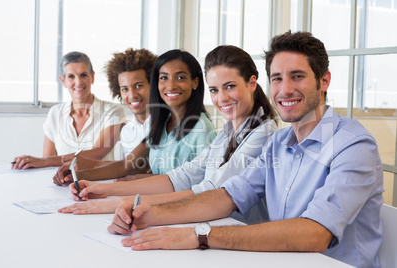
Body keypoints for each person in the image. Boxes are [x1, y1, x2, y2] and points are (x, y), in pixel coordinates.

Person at [107, 31, 384, 268]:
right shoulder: (279, 143)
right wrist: (150, 214)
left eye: (297, 76)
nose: (285, 89)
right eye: (277, 78)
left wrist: (199, 234)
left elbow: (314, 233)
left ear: (324, 81)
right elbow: (229, 196)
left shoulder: (354, 144)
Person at [59, 45, 278, 223]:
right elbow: (181, 176)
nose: (221, 98)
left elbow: (208, 191)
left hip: (234, 232)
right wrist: (105, 189)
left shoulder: (263, 133)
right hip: (209, 223)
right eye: (214, 90)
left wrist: (125, 200)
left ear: (252, 83)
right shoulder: (229, 129)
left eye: (229, 86)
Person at [53, 49, 216, 186]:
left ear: (195, 82)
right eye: (164, 78)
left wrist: (142, 180)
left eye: (180, 77)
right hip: (153, 202)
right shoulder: (163, 122)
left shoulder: (202, 129)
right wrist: (76, 175)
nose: (171, 85)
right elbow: (127, 165)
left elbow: (203, 187)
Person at [12, 51, 125, 170]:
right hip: (62, 185)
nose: (78, 82)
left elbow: (97, 154)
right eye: (71, 76)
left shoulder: (113, 112)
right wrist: (40, 162)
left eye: (83, 75)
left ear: (92, 77)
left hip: (100, 184)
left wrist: (42, 161)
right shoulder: (55, 113)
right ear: (63, 81)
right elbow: (47, 164)